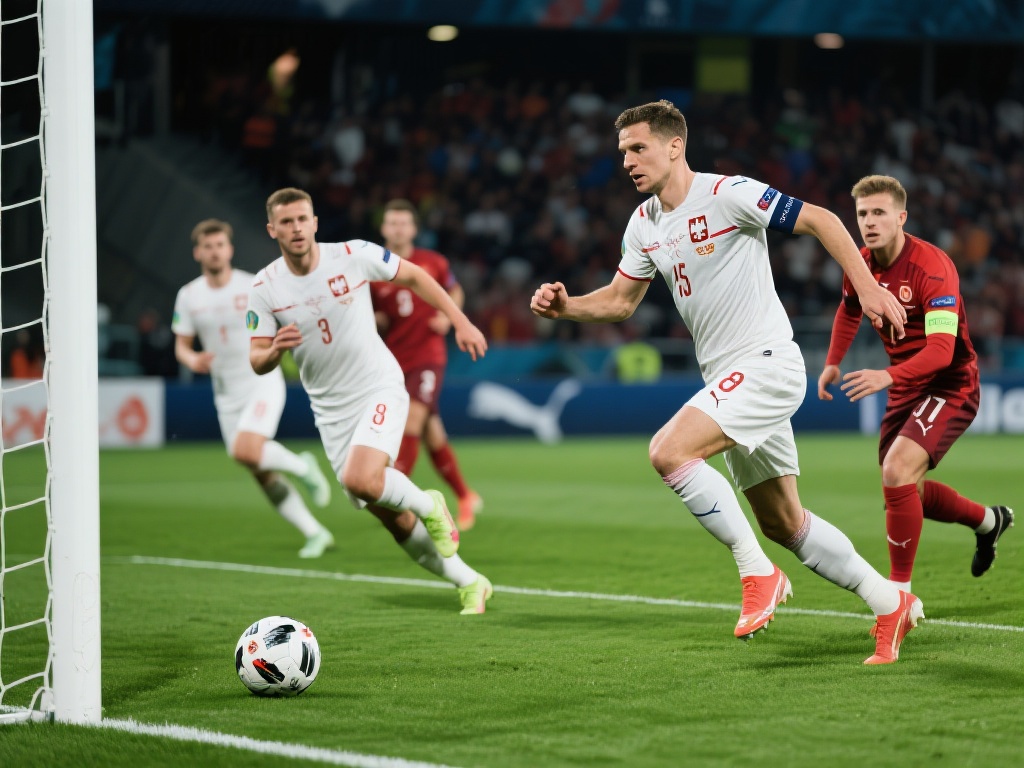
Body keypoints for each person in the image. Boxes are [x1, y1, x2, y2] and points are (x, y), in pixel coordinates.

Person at [530, 100, 919, 664]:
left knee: (668, 452)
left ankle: (757, 573)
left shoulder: (728, 194)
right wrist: (567, 307)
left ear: (674, 146)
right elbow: (619, 301)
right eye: (623, 152)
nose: (628, 161)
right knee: (784, 522)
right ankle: (889, 602)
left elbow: (822, 220)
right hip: (729, 378)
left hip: (766, 363)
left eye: (638, 148)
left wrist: (867, 287)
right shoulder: (643, 223)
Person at [247, 188, 493, 614]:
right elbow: (256, 359)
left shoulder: (352, 254)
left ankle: (430, 503)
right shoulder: (264, 287)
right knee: (391, 516)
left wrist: (460, 321)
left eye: (302, 219)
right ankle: (470, 582)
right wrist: (274, 351)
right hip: (331, 412)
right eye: (286, 222)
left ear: (315, 222)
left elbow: (415, 277)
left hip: (378, 386)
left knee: (363, 480)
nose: (296, 228)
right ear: (273, 230)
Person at [818, 174, 1013, 590]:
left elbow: (942, 351)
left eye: (879, 213)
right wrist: (833, 362)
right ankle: (989, 521)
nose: (869, 222)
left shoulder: (932, 267)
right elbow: (850, 308)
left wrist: (885, 375)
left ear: (901, 217)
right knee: (906, 490)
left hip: (950, 383)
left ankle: (899, 596)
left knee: (897, 471)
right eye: (862, 214)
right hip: (907, 387)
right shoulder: (860, 264)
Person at [173, 218, 335, 559]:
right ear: (197, 253)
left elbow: (283, 318)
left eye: (220, 245)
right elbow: (181, 346)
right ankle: (315, 532)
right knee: (259, 471)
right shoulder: (188, 296)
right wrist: (192, 359)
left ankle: (303, 467)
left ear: (229, 249)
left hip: (261, 381)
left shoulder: (252, 285)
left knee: (245, 451)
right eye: (208, 247)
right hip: (225, 393)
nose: (214, 252)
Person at [370, 199, 483, 531]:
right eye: (392, 223)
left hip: (428, 357)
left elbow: (455, 291)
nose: (398, 229)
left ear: (414, 229)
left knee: (413, 420)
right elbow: (371, 313)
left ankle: (396, 494)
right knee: (432, 432)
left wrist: (448, 318)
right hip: (394, 361)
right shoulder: (373, 269)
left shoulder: (432, 262)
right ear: (383, 228)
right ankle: (465, 495)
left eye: (404, 223)